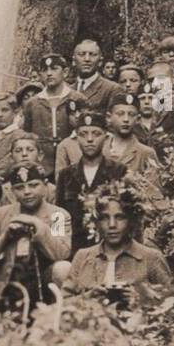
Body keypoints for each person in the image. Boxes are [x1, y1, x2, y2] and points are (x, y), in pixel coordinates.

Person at [0, 164, 71, 316]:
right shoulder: (0, 215)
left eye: (33, 185)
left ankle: (60, 316)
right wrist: (5, 237)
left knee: (63, 268)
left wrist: (38, 226)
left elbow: (61, 253)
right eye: (19, 187)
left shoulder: (57, 215)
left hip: (44, 278)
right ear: (12, 191)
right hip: (8, 277)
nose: (27, 192)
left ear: (45, 186)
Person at [64, 183, 173, 304]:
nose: (112, 225)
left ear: (132, 220)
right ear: (96, 222)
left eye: (120, 217)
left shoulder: (151, 257)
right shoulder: (83, 256)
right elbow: (62, 304)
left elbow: (172, 304)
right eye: (104, 218)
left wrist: (141, 299)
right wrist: (87, 298)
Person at [54, 107, 128, 253]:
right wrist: (57, 249)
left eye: (96, 134)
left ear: (106, 137)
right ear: (76, 138)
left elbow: (128, 217)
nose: (89, 139)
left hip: (110, 249)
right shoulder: (66, 175)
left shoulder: (119, 171)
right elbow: (58, 215)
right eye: (83, 134)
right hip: (74, 251)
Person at [21, 53, 82, 174]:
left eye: (54, 69)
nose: (49, 73)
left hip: (71, 160)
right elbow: (27, 134)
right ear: (40, 75)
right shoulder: (32, 103)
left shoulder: (77, 98)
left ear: (65, 72)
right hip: (42, 164)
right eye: (45, 70)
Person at [104, 92, 161, 182]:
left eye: (131, 114)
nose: (126, 119)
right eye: (120, 114)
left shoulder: (146, 153)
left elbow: (155, 189)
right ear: (109, 117)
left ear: (137, 119)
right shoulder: (100, 149)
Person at [72, 39, 119, 112]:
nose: (87, 59)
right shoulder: (67, 90)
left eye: (93, 55)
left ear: (100, 62)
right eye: (81, 54)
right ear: (74, 61)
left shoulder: (112, 89)